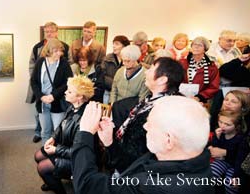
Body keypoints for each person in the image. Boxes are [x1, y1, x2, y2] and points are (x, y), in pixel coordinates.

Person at [72, 96, 214, 194]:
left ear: (169, 140)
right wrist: (110, 143)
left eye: (151, 123)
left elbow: (87, 186)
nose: (145, 127)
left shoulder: (154, 187)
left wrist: (85, 133)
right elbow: (132, 168)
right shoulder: (187, 159)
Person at [106, 57, 185, 173]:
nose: (146, 72)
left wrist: (109, 142)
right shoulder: (150, 101)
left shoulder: (163, 110)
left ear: (162, 80)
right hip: (129, 166)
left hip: (138, 173)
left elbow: (137, 150)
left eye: (151, 69)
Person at [34, 75, 94, 194]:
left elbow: (77, 151)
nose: (65, 92)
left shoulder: (84, 119)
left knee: (42, 167)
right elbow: (62, 125)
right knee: (38, 155)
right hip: (66, 147)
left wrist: (56, 150)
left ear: (80, 97)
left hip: (79, 160)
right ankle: (52, 181)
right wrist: (53, 137)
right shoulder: (73, 107)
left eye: (70, 91)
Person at [27, 22, 70, 143]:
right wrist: (41, 97)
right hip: (42, 103)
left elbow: (67, 83)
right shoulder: (40, 62)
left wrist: (53, 96)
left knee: (57, 132)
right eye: (56, 51)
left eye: (60, 51)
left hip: (57, 103)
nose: (59, 54)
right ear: (49, 51)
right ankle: (46, 154)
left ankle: (56, 157)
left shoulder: (64, 63)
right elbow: (34, 81)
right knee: (45, 131)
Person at [209, 110, 247, 194]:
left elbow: (240, 159)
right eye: (220, 122)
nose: (222, 126)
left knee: (230, 184)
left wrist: (236, 176)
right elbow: (215, 147)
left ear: (237, 126)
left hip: (235, 165)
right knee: (210, 175)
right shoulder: (220, 132)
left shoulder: (241, 139)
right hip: (223, 161)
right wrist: (216, 138)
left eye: (227, 124)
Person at [180, 36, 220, 103]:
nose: (196, 47)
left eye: (200, 45)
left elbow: (213, 87)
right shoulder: (182, 63)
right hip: (182, 98)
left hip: (201, 101)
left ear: (205, 49)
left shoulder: (211, 66)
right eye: (194, 44)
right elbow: (175, 80)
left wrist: (199, 97)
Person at [101, 35, 130, 104]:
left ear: (124, 46)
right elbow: (102, 75)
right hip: (108, 91)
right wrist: (115, 84)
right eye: (113, 44)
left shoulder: (129, 60)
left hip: (123, 94)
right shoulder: (107, 58)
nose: (114, 46)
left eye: (117, 44)